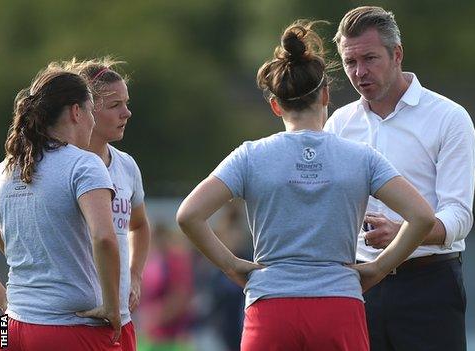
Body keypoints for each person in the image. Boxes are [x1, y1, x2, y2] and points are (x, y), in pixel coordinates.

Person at [176, 20, 435, 351]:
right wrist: (379, 268)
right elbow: (423, 217)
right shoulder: (361, 157)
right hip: (339, 304)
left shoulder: (250, 156)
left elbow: (188, 215)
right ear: (325, 94)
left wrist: (233, 266)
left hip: (270, 305)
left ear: (275, 105)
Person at [324, 6, 475, 350]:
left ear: (397, 55)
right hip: (357, 283)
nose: (359, 72)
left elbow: (459, 215)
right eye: (350, 62)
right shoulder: (338, 124)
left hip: (429, 284)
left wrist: (404, 234)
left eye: (369, 58)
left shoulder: (448, 118)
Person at [0, 63, 121, 350]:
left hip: (8, 328)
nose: (92, 120)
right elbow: (104, 237)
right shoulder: (84, 164)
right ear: (76, 112)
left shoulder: (4, 169)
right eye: (91, 111)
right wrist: (112, 307)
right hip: (67, 328)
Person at [66, 58, 151, 351]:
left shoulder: (126, 165)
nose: (126, 112)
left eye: (126, 103)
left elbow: (139, 225)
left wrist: (135, 274)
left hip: (118, 320)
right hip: (73, 320)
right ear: (85, 109)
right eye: (115, 105)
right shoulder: (59, 165)